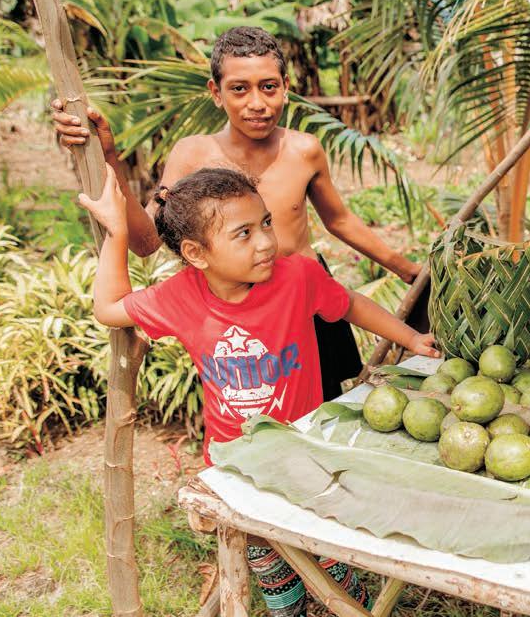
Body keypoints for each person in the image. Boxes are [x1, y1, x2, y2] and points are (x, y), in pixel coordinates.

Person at [78, 164, 439, 616]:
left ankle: (353, 605)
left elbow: (348, 304)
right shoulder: (181, 296)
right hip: (237, 463)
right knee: (271, 565)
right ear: (196, 253)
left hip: (307, 454)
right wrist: (117, 232)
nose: (266, 241)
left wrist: (411, 339)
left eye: (266, 222)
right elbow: (109, 308)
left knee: (330, 558)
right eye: (244, 233)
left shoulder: (298, 277)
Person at [52, 26, 420, 402]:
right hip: (237, 313)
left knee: (321, 408)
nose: (257, 103)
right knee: (250, 407)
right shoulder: (192, 155)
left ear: (286, 86)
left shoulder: (304, 150)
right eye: (239, 89)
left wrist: (407, 270)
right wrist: (108, 157)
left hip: (306, 302)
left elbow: (339, 220)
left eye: (269, 87)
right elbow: (147, 242)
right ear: (216, 93)